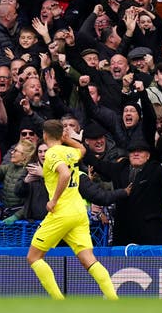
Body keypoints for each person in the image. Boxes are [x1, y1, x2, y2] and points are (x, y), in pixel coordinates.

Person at [26, 119, 118, 300]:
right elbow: (83, 150)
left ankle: (59, 302)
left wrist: (53, 200)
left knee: (34, 257)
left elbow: (65, 173)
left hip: (62, 212)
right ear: (61, 135)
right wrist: (68, 140)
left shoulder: (52, 153)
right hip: (78, 211)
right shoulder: (69, 151)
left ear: (44, 135)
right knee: (89, 260)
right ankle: (114, 299)